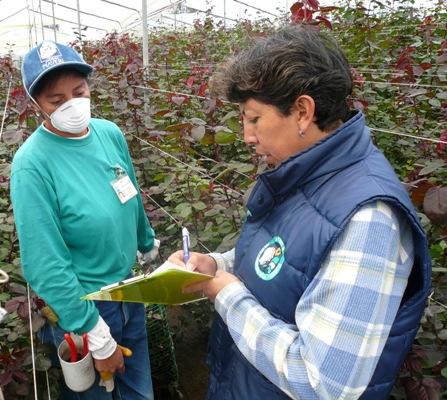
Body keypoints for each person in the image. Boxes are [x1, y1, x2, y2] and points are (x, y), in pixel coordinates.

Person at [168, 26, 431, 400]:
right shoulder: (302, 175)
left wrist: (224, 293)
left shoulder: (369, 220)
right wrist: (218, 266)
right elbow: (281, 259)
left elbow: (322, 384)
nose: (246, 135)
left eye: (253, 118)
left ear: (303, 112)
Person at [11, 40, 158, 399]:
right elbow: (45, 265)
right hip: (84, 303)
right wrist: (94, 331)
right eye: (56, 100)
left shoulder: (108, 134)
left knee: (138, 387)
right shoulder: (32, 166)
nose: (72, 105)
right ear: (36, 105)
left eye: (78, 91)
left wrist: (145, 240)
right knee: (96, 391)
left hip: (128, 289)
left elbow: (128, 190)